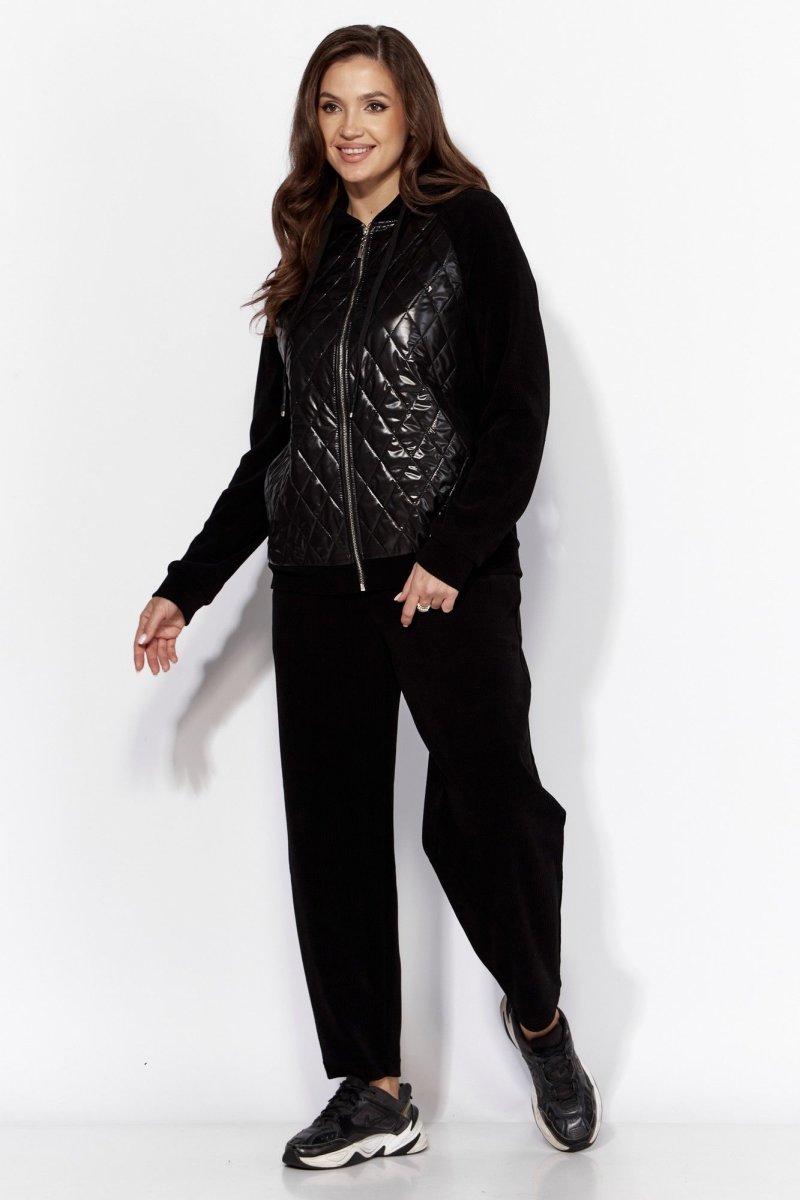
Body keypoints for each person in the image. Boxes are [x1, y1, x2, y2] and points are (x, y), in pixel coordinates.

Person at [133, 23, 602, 1169]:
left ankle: (538, 1015)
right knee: (333, 834)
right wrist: (187, 587)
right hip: (316, 589)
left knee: (488, 810)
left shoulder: (468, 229)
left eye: (373, 105)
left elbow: (517, 410)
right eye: (331, 106)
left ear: (410, 116)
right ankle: (374, 1090)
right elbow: (274, 451)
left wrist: (450, 552)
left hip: (444, 580)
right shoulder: (306, 254)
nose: (350, 127)